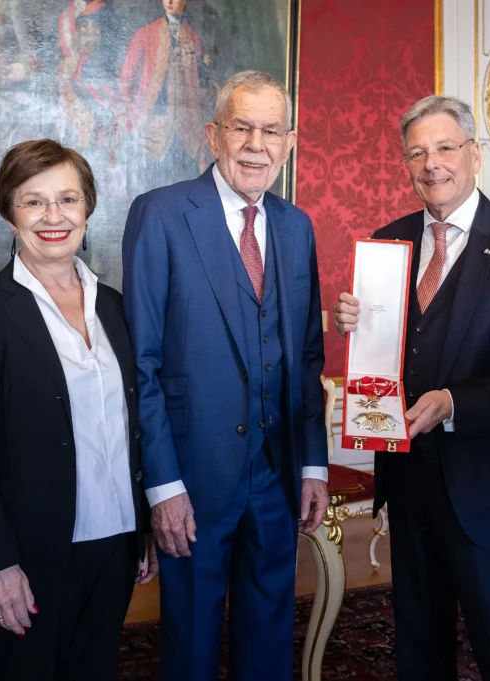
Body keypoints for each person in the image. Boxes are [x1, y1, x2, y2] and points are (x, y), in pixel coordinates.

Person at [333, 95, 490, 681]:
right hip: (409, 480)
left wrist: (455, 403)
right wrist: (352, 326)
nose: (431, 163)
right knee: (417, 642)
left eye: (444, 147)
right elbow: (385, 356)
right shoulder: (388, 243)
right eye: (416, 152)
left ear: (475, 154)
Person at [122, 70, 328, 680]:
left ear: (288, 144)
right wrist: (163, 485)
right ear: (214, 135)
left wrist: (313, 462)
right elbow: (144, 364)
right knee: (190, 638)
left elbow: (308, 357)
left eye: (271, 131)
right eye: (242, 127)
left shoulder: (296, 226)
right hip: (193, 473)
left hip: (277, 470)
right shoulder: (159, 215)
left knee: (269, 632)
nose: (255, 144)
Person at [0, 139, 155, 680]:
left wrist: (142, 527)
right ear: (9, 211)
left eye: (68, 199)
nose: (53, 216)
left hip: (114, 543)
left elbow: (132, 428)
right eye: (33, 201)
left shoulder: (116, 307)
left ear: (88, 207)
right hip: (26, 553)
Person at [119, 0, 209, 192]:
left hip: (185, 127)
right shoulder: (146, 34)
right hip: (154, 122)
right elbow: (127, 76)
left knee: (185, 184)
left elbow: (200, 81)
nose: (169, 1)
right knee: (151, 184)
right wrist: (132, 114)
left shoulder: (192, 37)